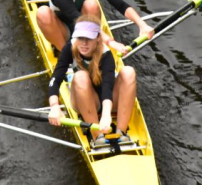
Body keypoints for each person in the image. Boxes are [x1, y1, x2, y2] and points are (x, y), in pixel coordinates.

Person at [47, 15, 137, 146]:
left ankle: (122, 133)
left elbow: (107, 86)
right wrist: (54, 106)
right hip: (84, 101)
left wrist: (106, 115)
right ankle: (97, 137)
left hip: (109, 101)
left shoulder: (106, 55)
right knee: (80, 76)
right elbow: (55, 79)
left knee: (129, 72)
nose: (83, 43)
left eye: (88, 39)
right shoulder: (69, 48)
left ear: (98, 39)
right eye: (80, 38)